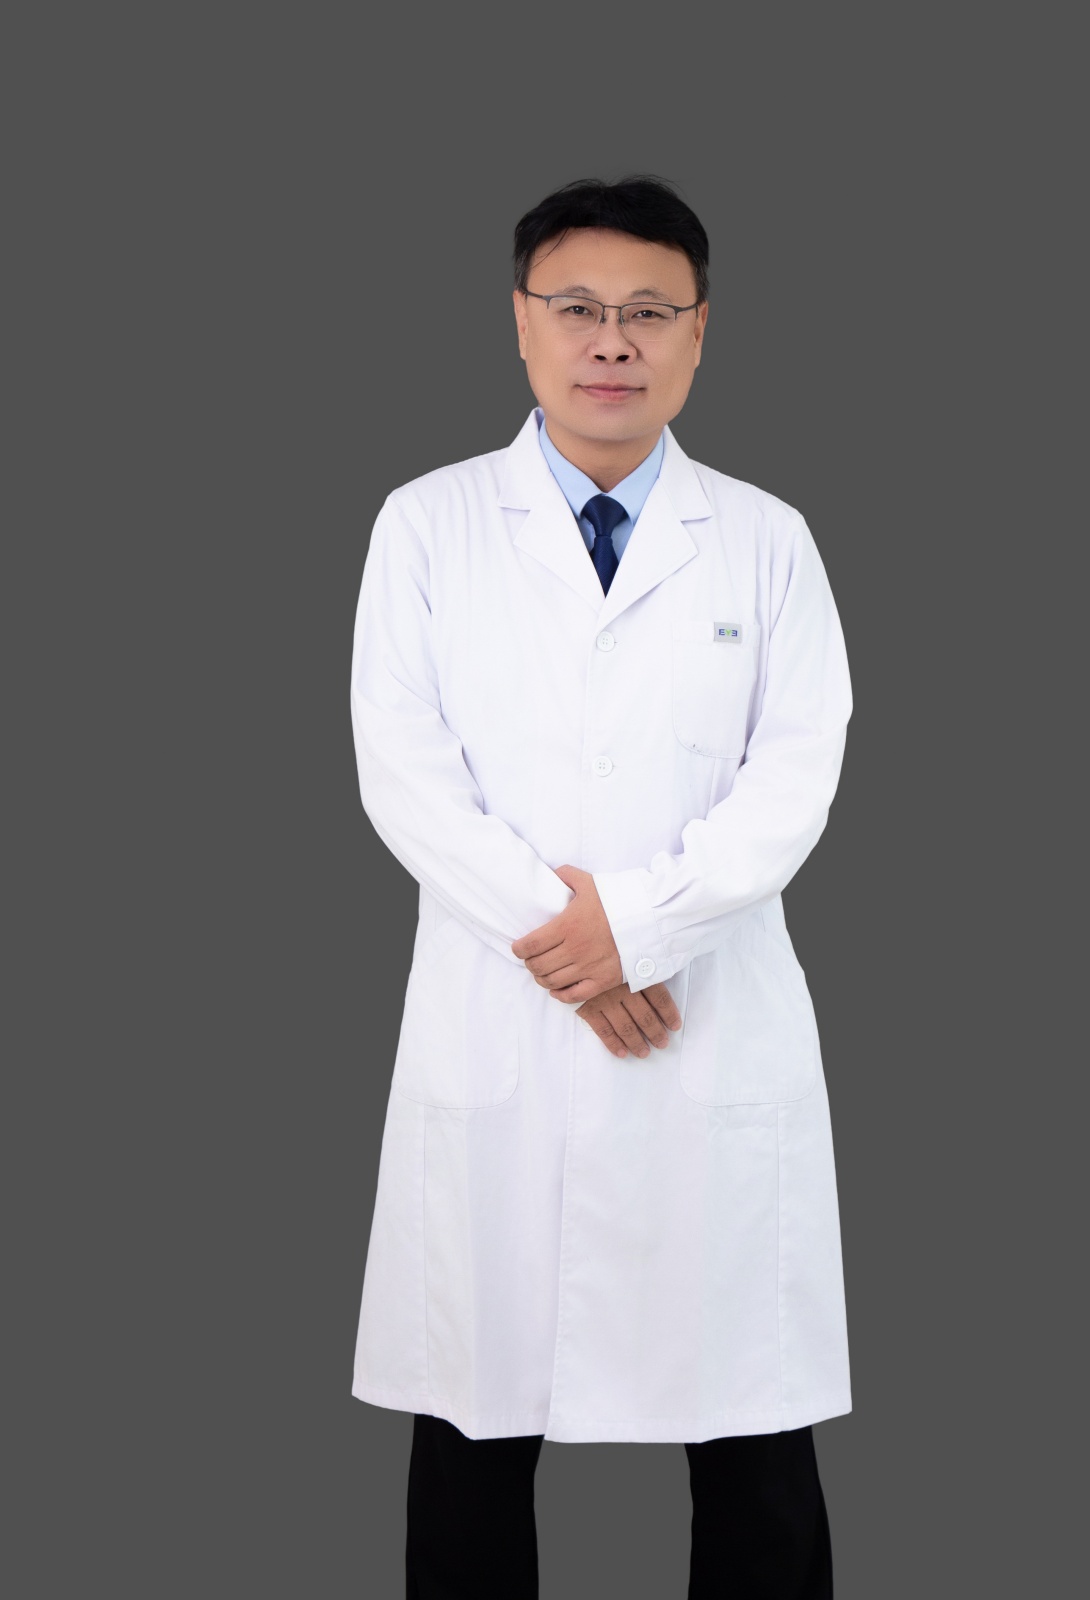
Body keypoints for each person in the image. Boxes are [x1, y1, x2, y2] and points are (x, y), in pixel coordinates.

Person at [349, 174, 853, 1598]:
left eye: (649, 311)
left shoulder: (766, 538)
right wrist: (575, 948)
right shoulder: (428, 525)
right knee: (472, 1428)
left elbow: (796, 780)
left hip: (706, 1029)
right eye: (577, 308)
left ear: (700, 332)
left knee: (754, 1437)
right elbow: (404, 775)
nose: (612, 341)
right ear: (522, 323)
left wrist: (634, 931)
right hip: (502, 1029)